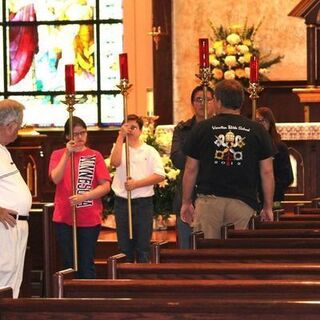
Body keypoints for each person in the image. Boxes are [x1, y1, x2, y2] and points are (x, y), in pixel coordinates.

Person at [181, 79, 275, 239]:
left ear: (217, 101)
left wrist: (186, 202)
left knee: (207, 257)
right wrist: (268, 206)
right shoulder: (257, 130)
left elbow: (190, 168)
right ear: (242, 102)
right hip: (243, 203)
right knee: (238, 256)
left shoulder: (202, 128)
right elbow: (266, 171)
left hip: (209, 203)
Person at [49, 116, 111, 278]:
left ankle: (88, 299)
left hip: (89, 216)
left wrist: (85, 196)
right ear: (67, 136)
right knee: (68, 263)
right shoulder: (57, 155)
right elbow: (55, 178)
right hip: (64, 216)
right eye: (76, 134)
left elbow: (105, 185)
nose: (80, 137)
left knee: (85, 263)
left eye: (83, 133)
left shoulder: (94, 156)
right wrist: (67, 155)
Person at [110, 114, 165, 262]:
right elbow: (114, 163)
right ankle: (124, 282)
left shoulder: (149, 151)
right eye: (126, 127)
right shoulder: (119, 148)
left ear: (140, 130)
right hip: (122, 202)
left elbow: (160, 175)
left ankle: (142, 281)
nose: (130, 130)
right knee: (124, 247)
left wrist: (136, 184)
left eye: (133, 127)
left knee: (143, 247)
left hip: (143, 203)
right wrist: (120, 137)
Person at [170, 85, 215, 248]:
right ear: (192, 104)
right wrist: (202, 159)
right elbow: (177, 159)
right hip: (187, 197)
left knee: (212, 250)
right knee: (186, 249)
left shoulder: (220, 129)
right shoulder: (183, 130)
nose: (203, 103)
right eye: (198, 99)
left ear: (215, 102)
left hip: (214, 195)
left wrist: (194, 158)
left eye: (207, 99)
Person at [0, 99, 32, 298]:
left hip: (16, 226)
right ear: (9, 125)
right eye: (17, 128)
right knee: (4, 274)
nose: (17, 132)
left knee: (13, 277)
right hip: (6, 225)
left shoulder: (3, 150)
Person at [256, 107, 293, 208]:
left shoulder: (279, 147)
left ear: (270, 123)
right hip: (252, 198)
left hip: (274, 197)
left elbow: (288, 177)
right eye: (257, 121)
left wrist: (270, 186)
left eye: (263, 121)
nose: (260, 124)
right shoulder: (250, 146)